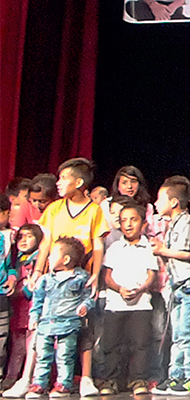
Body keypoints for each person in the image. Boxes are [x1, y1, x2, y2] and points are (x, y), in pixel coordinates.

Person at [32, 158, 105, 397]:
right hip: (53, 279)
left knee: (84, 328)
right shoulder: (54, 208)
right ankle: (34, 378)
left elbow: (97, 244)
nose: (59, 183)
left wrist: (94, 275)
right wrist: (38, 271)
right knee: (43, 327)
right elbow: (45, 244)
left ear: (79, 182)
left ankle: (85, 377)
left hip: (81, 279)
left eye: (64, 178)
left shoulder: (94, 210)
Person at [150, 176, 190, 395]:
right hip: (178, 285)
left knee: (187, 334)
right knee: (177, 334)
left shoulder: (187, 222)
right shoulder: (172, 224)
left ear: (174, 202)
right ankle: (176, 376)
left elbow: (188, 253)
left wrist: (162, 250)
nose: (156, 203)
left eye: (160, 199)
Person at [97, 201, 158, 396]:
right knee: (112, 344)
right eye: (124, 220)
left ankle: (138, 379)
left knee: (140, 344)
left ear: (143, 223)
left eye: (133, 220)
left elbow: (152, 273)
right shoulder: (115, 247)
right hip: (115, 304)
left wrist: (141, 289)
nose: (129, 224)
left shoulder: (148, 246)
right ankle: (111, 380)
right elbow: (107, 276)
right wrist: (119, 289)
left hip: (141, 305)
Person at [26, 237, 94, 398]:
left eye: (51, 254)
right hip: (46, 324)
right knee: (43, 355)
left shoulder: (81, 278)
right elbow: (38, 300)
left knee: (65, 355)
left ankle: (64, 384)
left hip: (69, 323)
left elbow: (89, 296)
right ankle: (39, 384)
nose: (48, 258)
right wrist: (34, 316)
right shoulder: (46, 279)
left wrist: (85, 306)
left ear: (66, 259)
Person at [3, 224, 42, 395]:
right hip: (16, 309)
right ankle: (11, 378)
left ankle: (35, 380)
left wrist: (22, 291)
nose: (23, 240)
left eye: (29, 236)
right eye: (21, 236)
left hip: (31, 308)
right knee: (17, 345)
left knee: (32, 345)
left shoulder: (38, 258)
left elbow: (32, 287)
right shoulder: (14, 258)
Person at [0, 194, 15, 380]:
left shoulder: (7, 237)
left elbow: (12, 265)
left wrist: (12, 278)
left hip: (1, 293)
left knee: (1, 336)